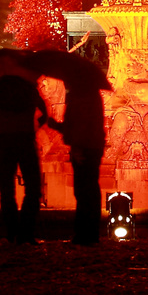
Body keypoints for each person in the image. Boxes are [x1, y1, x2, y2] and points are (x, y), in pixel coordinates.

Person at [35, 52, 110, 245]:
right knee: (89, 189)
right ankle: (88, 233)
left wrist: (73, 141)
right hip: (91, 144)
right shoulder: (90, 95)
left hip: (84, 146)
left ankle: (85, 234)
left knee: (84, 190)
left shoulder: (80, 96)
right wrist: (56, 125)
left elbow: (79, 124)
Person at [0, 73, 48, 245]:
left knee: (7, 191)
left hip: (2, 141)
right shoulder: (29, 88)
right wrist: (34, 126)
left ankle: (12, 232)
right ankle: (26, 233)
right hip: (25, 138)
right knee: (33, 188)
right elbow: (44, 113)